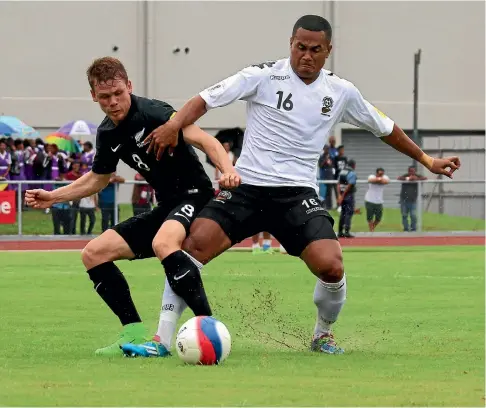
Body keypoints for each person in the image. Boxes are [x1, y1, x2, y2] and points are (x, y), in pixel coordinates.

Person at [132, 14, 460, 357]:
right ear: (291, 44)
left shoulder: (341, 92)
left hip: (296, 195)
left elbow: (385, 128)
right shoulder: (262, 76)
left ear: (328, 50)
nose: (306, 55)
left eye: (314, 49)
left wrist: (427, 160)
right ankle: (161, 339)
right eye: (300, 47)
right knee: (191, 249)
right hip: (247, 189)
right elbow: (205, 99)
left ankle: (322, 335)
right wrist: (174, 125)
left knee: (332, 267)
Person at [25, 56, 240, 356]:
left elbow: (208, 142)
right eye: (104, 97)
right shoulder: (107, 133)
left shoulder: (153, 112)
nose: (113, 102)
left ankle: (208, 327)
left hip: (195, 196)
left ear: (129, 86)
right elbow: (98, 179)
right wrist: (54, 196)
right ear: (93, 96)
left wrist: (226, 169)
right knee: (93, 254)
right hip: (166, 207)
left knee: (163, 241)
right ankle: (133, 331)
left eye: (118, 94)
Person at [398, 166, 427, 231]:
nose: (411, 172)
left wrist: (416, 179)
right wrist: (408, 178)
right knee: (404, 215)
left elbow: (425, 178)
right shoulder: (406, 175)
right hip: (404, 199)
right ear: (408, 171)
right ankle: (406, 229)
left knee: (413, 215)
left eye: (412, 171)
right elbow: (399, 178)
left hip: (413, 200)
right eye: (410, 171)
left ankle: (413, 229)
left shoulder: (418, 176)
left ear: (415, 171)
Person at [364, 167, 389, 232]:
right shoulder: (371, 176)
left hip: (379, 201)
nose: (381, 175)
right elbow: (370, 180)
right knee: (369, 217)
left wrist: (379, 179)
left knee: (378, 218)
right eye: (379, 174)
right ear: (376, 173)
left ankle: (372, 228)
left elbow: (386, 181)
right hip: (370, 200)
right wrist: (379, 180)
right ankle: (371, 231)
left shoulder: (385, 177)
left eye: (382, 174)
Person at [337, 160, 357, 238]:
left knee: (343, 213)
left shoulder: (342, 172)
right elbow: (349, 185)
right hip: (348, 195)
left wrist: (339, 195)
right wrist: (343, 195)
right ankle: (347, 232)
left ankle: (340, 232)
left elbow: (338, 184)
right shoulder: (351, 173)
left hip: (342, 195)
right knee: (349, 213)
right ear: (353, 165)